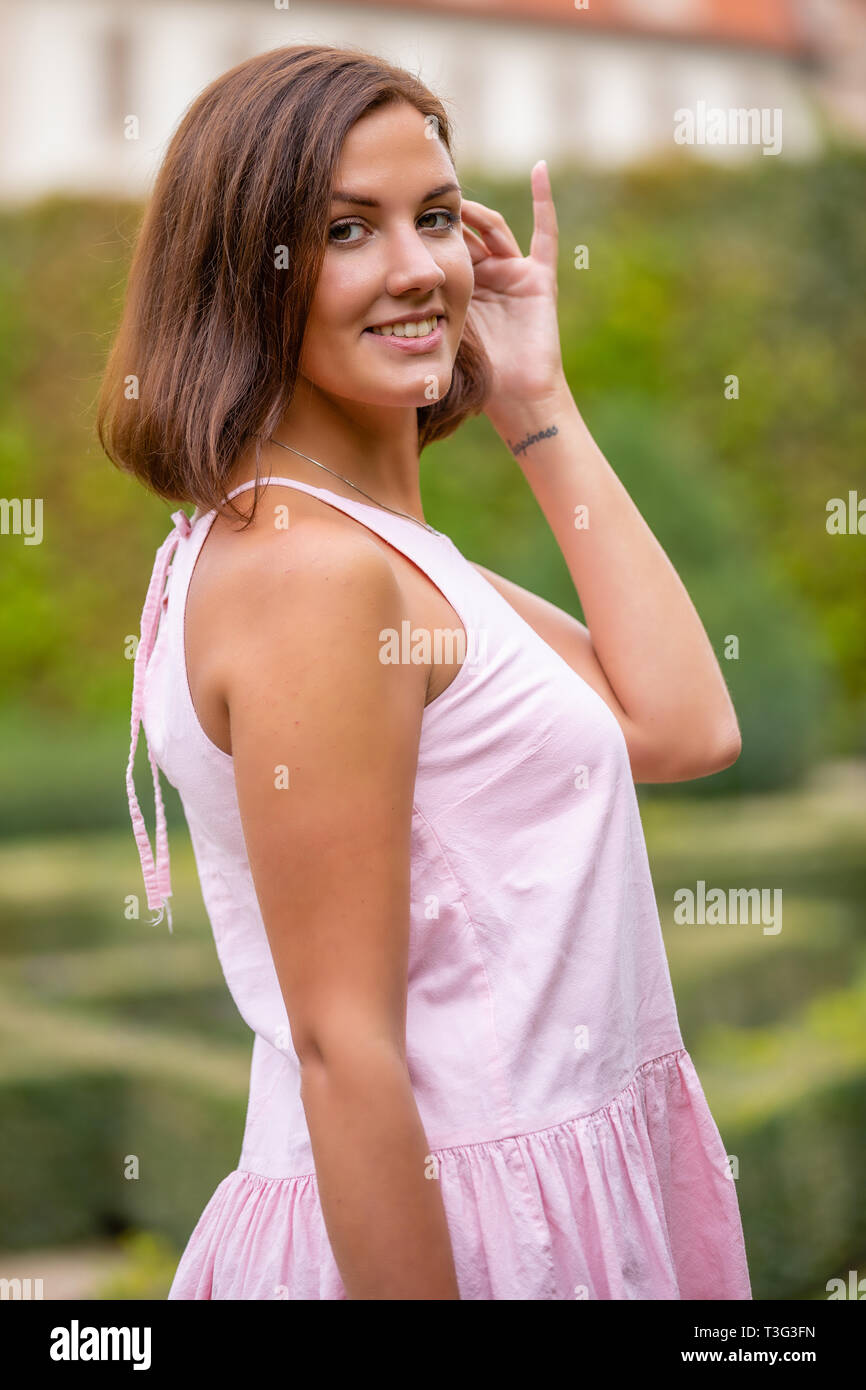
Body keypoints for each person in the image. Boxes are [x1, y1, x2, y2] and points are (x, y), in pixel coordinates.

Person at [98, 43, 752, 1300]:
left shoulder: (372, 554)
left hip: (546, 1202)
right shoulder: (310, 580)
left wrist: (533, 400)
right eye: (346, 229)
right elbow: (345, 1049)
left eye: (436, 216)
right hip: (460, 1239)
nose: (418, 268)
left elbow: (680, 725)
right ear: (248, 275)